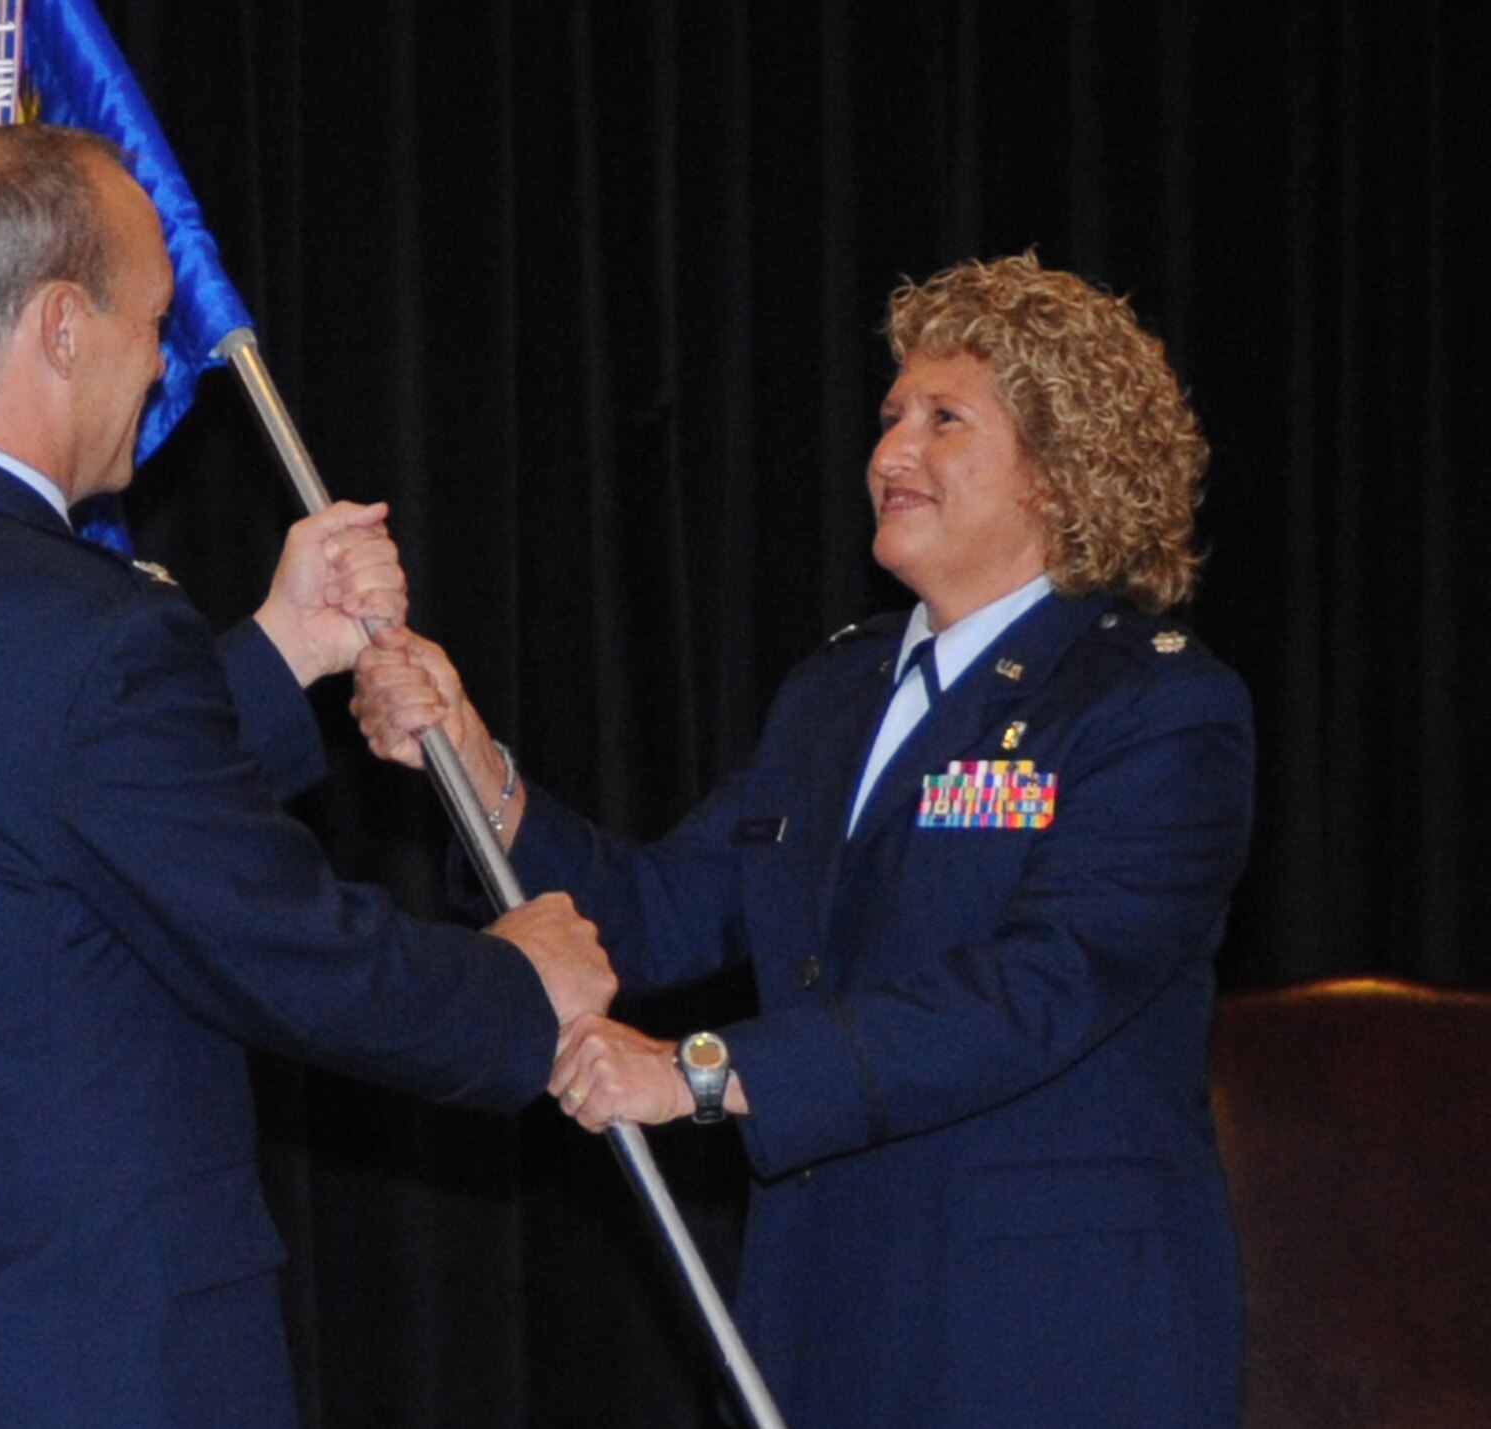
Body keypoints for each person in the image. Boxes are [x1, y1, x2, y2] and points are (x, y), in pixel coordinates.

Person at [0, 123, 614, 1429]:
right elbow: (286, 950)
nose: (160, 362)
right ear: (62, 329)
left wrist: (276, 649)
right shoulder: (89, 633)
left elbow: (26, 827)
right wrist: (518, 990)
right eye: (149, 320)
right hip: (106, 1364)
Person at [353, 253, 1254, 1427]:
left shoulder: (1152, 707)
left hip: (1042, 1338)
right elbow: (657, 909)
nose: (888, 453)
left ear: (1061, 463)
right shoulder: (834, 694)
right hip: (820, 1317)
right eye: (888, 418)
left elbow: (1040, 987)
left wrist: (703, 1074)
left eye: (942, 419)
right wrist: (477, 765)